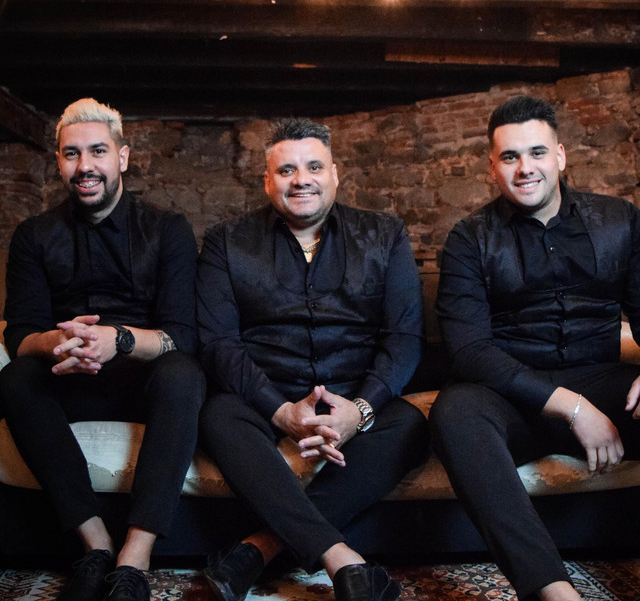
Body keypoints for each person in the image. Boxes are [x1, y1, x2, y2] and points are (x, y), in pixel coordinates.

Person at [196, 118, 429, 601]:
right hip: (265, 399)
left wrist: (359, 410)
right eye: (286, 170)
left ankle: (257, 549)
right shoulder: (226, 241)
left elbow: (404, 338)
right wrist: (282, 411)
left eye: (314, 167)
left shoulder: (385, 234)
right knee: (217, 414)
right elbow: (219, 343)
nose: (301, 179)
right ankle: (344, 560)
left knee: (412, 424)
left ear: (335, 174)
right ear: (268, 181)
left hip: (358, 395)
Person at [431, 95, 640, 601]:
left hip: (602, 382)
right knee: (454, 411)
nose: (525, 168)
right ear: (493, 168)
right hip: (513, 400)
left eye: (537, 152)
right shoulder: (469, 239)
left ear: (560, 156)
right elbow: (469, 351)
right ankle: (552, 591)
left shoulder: (620, 220)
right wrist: (572, 407)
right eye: (510, 157)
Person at [0, 98, 206, 601]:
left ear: (122, 158)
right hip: (69, 378)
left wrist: (120, 339)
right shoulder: (33, 235)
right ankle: (95, 545)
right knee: (15, 377)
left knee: (184, 373)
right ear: (59, 161)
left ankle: (134, 557)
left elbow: (183, 334)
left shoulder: (168, 230)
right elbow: (19, 334)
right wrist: (56, 342)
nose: (85, 166)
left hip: (145, 384)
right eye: (72, 154)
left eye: (98, 151)